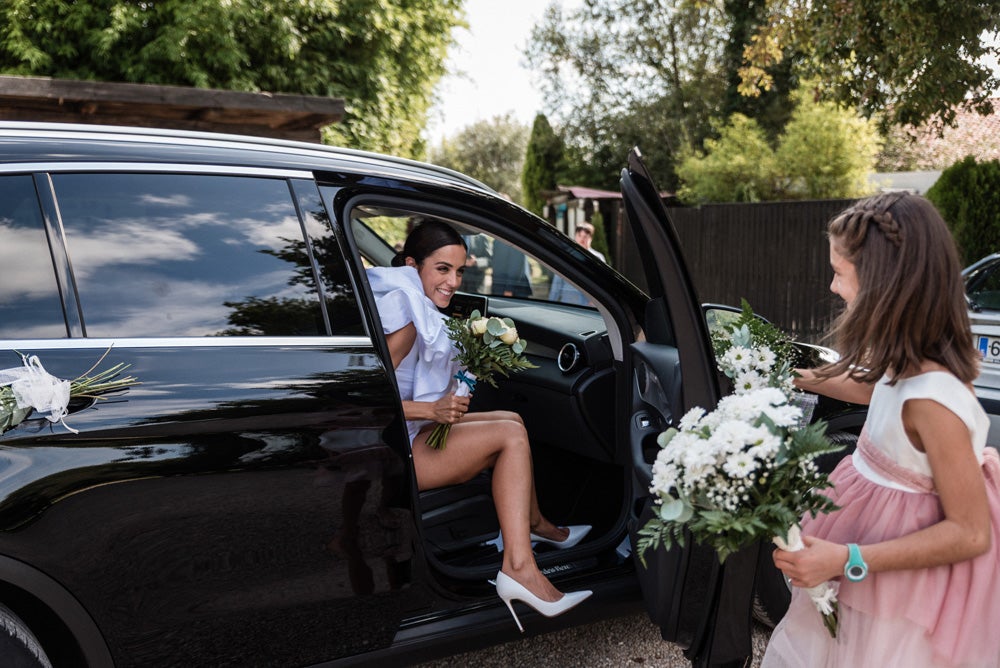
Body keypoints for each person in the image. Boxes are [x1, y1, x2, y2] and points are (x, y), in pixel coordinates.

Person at [762, 193, 1000, 667]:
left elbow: (972, 534)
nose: (832, 286)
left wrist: (846, 558)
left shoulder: (936, 399)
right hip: (863, 568)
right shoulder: (905, 359)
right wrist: (781, 374)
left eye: (840, 272)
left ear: (881, 284)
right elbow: (873, 388)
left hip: (894, 593)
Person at [366, 220, 592, 631]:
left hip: (407, 435)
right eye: (442, 269)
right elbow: (370, 403)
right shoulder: (406, 313)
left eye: (459, 271)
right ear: (412, 263)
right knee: (507, 436)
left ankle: (537, 526)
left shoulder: (406, 297)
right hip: (396, 452)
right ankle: (520, 568)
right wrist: (433, 411)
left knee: (513, 420)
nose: (452, 281)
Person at [549, 221, 606, 305]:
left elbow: (603, 284)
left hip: (590, 308)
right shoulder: (566, 256)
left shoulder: (598, 258)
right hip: (570, 307)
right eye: (579, 236)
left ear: (591, 238)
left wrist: (598, 303)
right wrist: (550, 304)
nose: (582, 239)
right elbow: (557, 284)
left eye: (585, 236)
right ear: (575, 237)